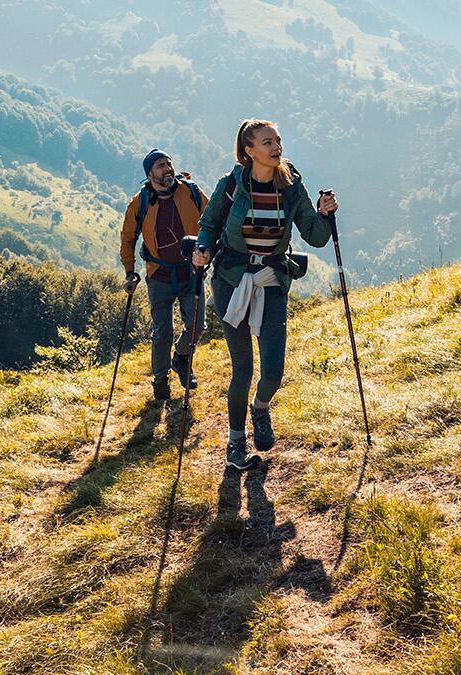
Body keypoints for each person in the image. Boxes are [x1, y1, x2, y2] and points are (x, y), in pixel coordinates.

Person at [192, 119, 338, 470]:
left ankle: (260, 408)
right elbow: (209, 225)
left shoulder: (290, 187)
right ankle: (235, 443)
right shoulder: (231, 186)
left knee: (272, 371)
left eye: (278, 140)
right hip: (231, 278)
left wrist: (324, 213)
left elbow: (316, 237)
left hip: (272, 277)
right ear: (249, 150)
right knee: (242, 367)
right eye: (268, 142)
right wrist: (202, 250)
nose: (276, 147)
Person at [119, 148, 208, 402]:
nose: (167, 169)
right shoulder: (141, 202)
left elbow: (212, 220)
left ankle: (180, 358)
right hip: (158, 274)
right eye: (161, 166)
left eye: (169, 163)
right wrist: (129, 272)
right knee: (162, 332)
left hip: (191, 271)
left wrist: (209, 251)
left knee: (197, 324)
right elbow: (128, 238)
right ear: (150, 173)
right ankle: (160, 380)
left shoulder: (190, 191)